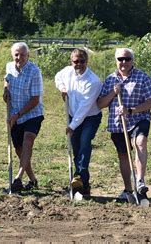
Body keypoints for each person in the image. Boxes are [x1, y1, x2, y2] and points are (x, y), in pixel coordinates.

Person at [98, 48, 151, 201]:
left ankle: (140, 181)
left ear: (132, 60)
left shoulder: (142, 77)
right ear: (116, 60)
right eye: (120, 59)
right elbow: (100, 104)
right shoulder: (110, 79)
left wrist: (131, 110)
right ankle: (128, 190)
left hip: (139, 119)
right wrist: (113, 93)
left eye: (127, 59)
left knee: (140, 142)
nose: (123, 62)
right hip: (118, 124)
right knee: (123, 155)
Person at [55, 48, 102, 196]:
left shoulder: (93, 82)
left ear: (86, 61)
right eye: (76, 61)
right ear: (71, 61)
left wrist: (72, 126)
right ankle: (83, 185)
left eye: (82, 61)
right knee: (75, 148)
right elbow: (58, 77)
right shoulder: (67, 72)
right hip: (72, 114)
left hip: (90, 117)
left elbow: (84, 108)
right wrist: (62, 88)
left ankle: (79, 176)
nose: (79, 64)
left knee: (84, 142)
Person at [3, 42, 44, 192]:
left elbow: (35, 100)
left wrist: (18, 115)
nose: (19, 58)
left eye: (23, 55)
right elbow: (6, 79)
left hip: (33, 113)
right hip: (15, 114)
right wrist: (5, 90)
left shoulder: (34, 71)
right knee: (19, 149)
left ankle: (18, 178)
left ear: (28, 55)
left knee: (27, 141)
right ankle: (32, 180)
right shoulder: (9, 66)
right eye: (16, 54)